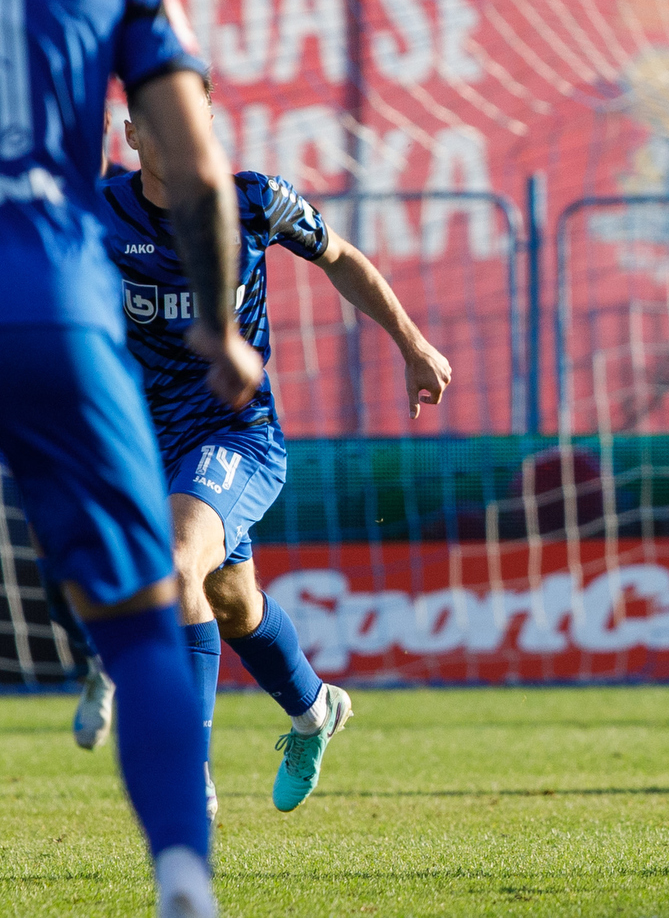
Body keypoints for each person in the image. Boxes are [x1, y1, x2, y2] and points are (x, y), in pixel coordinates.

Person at [1, 0, 261, 912]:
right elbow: (198, 168)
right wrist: (218, 321)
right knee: (148, 611)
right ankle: (182, 876)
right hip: (52, 302)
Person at [101, 99, 453, 819]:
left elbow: (343, 258)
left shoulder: (255, 200)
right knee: (231, 603)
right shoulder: (100, 212)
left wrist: (413, 345)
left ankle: (184, 770)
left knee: (176, 565)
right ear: (133, 133)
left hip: (237, 434)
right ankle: (315, 710)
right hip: (146, 443)